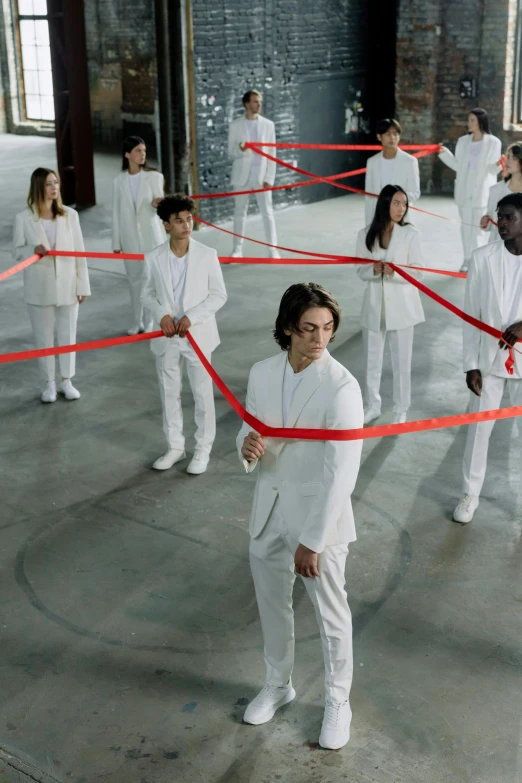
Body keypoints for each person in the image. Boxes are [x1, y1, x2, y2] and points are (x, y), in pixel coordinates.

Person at [237, 283, 364, 750]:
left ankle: (337, 700)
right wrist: (246, 448)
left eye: (328, 328)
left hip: (318, 522)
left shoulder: (342, 387)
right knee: (272, 607)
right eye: (309, 329)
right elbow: (251, 427)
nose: (320, 339)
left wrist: (313, 539)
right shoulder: (262, 372)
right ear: (288, 328)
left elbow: (341, 473)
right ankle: (277, 684)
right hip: (267, 513)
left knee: (331, 616)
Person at [141, 194, 227, 474]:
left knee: (203, 394)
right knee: (169, 393)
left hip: (198, 335)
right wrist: (161, 315)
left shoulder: (207, 255)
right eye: (179, 221)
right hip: (167, 337)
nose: (186, 225)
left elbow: (218, 295)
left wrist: (192, 317)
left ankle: (202, 450)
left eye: (189, 219)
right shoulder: (153, 257)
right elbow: (148, 293)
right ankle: (175, 448)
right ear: (167, 224)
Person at [453, 193, 522, 524]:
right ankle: (470, 494)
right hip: (488, 360)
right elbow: (470, 314)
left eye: (510, 217)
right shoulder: (482, 257)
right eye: (500, 217)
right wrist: (470, 364)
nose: (502, 224)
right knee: (479, 430)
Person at [12, 167, 90, 403]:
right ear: (38, 187)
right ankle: (49, 383)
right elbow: (16, 252)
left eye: (56, 183)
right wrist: (31, 250)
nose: (54, 187)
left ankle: (67, 380)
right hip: (39, 288)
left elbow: (80, 252)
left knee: (68, 334)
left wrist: (82, 286)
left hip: (67, 285)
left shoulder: (70, 215)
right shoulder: (23, 218)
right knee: (43, 337)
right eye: (48, 183)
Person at [356, 185, 425, 425]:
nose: (401, 208)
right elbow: (359, 270)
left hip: (403, 308)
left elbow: (419, 272)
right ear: (384, 204)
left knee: (401, 361)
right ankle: (372, 405)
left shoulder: (411, 234)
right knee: (371, 361)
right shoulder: (366, 233)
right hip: (375, 306)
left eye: (404, 204)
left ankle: (400, 409)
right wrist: (372, 270)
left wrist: (395, 272)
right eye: (396, 202)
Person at [113, 136, 166, 335]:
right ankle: (137, 321)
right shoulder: (119, 181)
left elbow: (161, 209)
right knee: (134, 280)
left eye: (144, 151)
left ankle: (150, 320)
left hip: (152, 237)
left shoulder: (154, 177)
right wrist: (116, 242)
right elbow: (116, 213)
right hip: (129, 238)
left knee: (151, 281)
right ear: (127, 154)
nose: (142, 154)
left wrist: (156, 205)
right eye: (137, 151)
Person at [439, 108, 502, 272]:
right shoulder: (463, 142)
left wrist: (499, 164)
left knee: (479, 229)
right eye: (469, 120)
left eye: (472, 120)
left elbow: (492, 170)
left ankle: (478, 260)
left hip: (482, 191)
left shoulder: (494, 142)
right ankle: (467, 259)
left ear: (481, 122)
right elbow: (457, 165)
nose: (469, 123)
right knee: (466, 227)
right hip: (464, 190)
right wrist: (443, 153)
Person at [227, 89, 280, 259]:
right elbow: (231, 153)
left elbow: (272, 153)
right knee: (239, 213)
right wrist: (241, 150)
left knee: (268, 213)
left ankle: (272, 249)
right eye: (256, 101)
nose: (259, 105)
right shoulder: (235, 125)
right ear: (247, 104)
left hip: (261, 176)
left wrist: (269, 178)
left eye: (260, 102)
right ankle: (237, 249)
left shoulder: (268, 125)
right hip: (241, 177)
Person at [364, 118, 420, 226]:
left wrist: (394, 200)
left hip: (401, 216)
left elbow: (415, 192)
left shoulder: (410, 161)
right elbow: (369, 196)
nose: (392, 138)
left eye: (395, 134)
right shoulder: (372, 162)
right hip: (378, 217)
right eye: (388, 134)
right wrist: (368, 225)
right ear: (379, 136)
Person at [480, 143, 522, 243]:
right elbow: (491, 220)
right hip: (499, 247)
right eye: (508, 157)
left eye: (513, 157)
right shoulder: (495, 190)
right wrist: (485, 222)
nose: (507, 161)